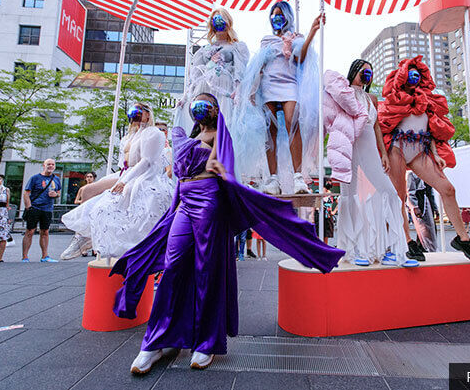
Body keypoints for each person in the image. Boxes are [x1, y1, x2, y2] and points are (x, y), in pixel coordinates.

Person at [111, 93, 344, 373]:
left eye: (205, 105)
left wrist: (219, 164)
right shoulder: (187, 136)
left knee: (206, 269)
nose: (199, 110)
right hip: (185, 201)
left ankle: (205, 343)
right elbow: (176, 150)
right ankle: (155, 341)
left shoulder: (221, 136)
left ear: (215, 110)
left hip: (209, 199)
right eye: (196, 106)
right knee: (172, 268)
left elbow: (224, 163)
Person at [378, 56, 470, 264]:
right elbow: (383, 127)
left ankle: (463, 239)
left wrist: (436, 155)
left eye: (418, 74)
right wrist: (384, 154)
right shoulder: (393, 100)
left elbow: (430, 130)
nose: (415, 77)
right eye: (411, 73)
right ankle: (407, 241)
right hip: (397, 149)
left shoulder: (426, 101)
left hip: (421, 149)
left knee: (448, 189)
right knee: (398, 198)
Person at [323, 63, 416, 267]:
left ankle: (393, 250)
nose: (367, 73)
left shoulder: (372, 99)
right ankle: (355, 250)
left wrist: (383, 153)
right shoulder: (344, 93)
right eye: (363, 69)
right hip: (349, 148)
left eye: (370, 71)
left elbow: (376, 128)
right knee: (351, 196)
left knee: (389, 192)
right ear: (354, 71)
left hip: (370, 149)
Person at [61, 103, 174, 259]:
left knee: (113, 200)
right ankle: (83, 236)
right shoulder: (129, 137)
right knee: (88, 190)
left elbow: (147, 161)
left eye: (139, 112)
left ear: (148, 114)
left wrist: (125, 181)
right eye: (133, 112)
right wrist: (121, 178)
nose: (135, 115)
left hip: (142, 175)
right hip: (125, 172)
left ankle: (91, 238)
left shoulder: (153, 133)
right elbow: (123, 163)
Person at [233, 1, 322, 194]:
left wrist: (312, 32)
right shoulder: (267, 40)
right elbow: (259, 67)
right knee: (270, 129)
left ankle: (298, 177)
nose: (277, 18)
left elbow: (300, 58)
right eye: (274, 15)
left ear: (288, 16)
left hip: (289, 84)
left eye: (280, 14)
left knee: (292, 122)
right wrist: (250, 91)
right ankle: (272, 179)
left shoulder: (296, 37)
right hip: (269, 86)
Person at [174, 8, 249, 133]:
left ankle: (220, 150)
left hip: (224, 90)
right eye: (215, 21)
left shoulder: (237, 47)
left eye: (222, 20)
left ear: (228, 22)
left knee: (223, 125)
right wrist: (184, 98)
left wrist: (238, 91)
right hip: (204, 89)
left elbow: (239, 71)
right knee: (203, 126)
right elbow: (194, 77)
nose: (219, 24)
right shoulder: (204, 49)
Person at [22, 159, 61, 263]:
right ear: (44, 165)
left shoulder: (56, 179)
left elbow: (59, 192)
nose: (51, 166)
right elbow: (26, 193)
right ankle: (25, 257)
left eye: (53, 164)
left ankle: (45, 256)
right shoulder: (35, 178)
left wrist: (56, 195)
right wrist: (29, 207)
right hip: (35, 207)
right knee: (30, 231)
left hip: (47, 209)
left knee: (45, 232)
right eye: (49, 164)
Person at [407, 170, 437, 252]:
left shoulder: (428, 173)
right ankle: (425, 247)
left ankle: (429, 248)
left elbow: (431, 192)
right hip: (419, 200)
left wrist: (435, 208)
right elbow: (410, 192)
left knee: (430, 227)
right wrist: (414, 206)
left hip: (427, 200)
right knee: (423, 226)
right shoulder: (412, 174)